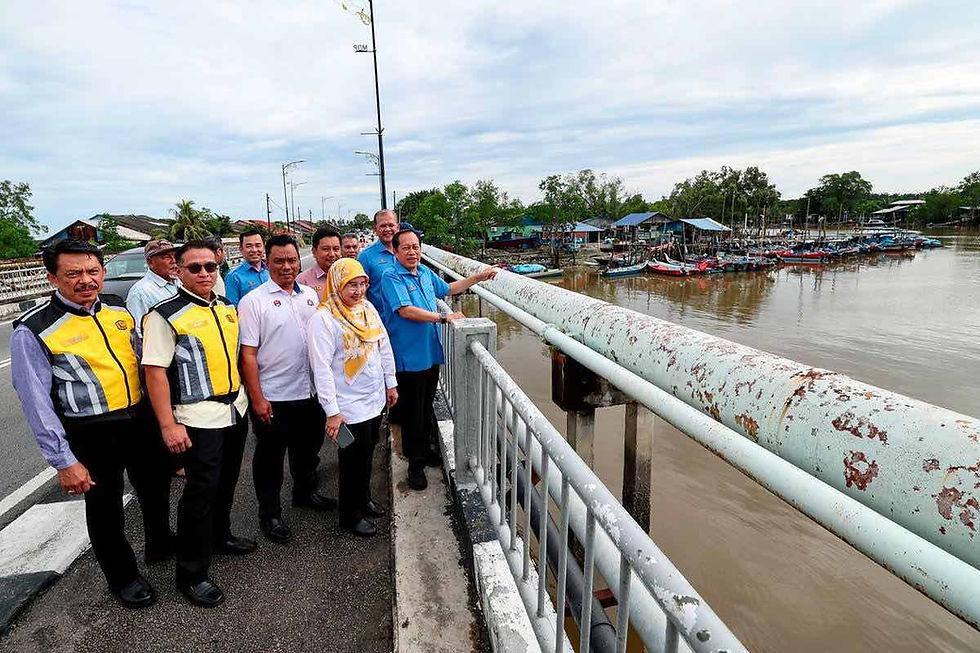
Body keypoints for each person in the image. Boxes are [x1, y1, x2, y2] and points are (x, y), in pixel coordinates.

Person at [11, 239, 172, 609]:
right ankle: (123, 577)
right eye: (73, 274)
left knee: (156, 487)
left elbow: (139, 359)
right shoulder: (33, 329)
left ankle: (160, 544)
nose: (86, 280)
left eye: (92, 271)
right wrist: (64, 461)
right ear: (52, 277)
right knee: (105, 509)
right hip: (92, 430)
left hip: (139, 419)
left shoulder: (117, 308)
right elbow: (36, 403)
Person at [142, 240, 256, 608]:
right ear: (177, 270)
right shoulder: (164, 315)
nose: (205, 273)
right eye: (195, 268)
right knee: (199, 493)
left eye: (210, 266)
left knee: (226, 482)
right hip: (195, 418)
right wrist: (167, 425)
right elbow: (155, 373)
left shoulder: (225, 308)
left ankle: (220, 537)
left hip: (233, 410)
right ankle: (191, 572)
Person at [379, 228, 497, 490]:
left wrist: (477, 277)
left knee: (426, 406)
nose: (412, 252)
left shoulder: (423, 272)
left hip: (430, 352)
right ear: (396, 251)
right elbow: (405, 310)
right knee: (413, 413)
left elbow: (449, 288)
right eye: (406, 248)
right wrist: (444, 317)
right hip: (409, 357)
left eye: (416, 247)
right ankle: (415, 465)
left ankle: (425, 453)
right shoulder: (391, 276)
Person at [239, 234, 336, 544]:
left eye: (292, 260)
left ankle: (304, 493)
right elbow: (248, 355)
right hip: (274, 397)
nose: (286, 266)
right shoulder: (254, 302)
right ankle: (270, 514)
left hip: (310, 393)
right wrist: (257, 398)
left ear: (299, 260)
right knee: (269, 459)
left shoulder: (310, 295)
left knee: (308, 449)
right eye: (278, 261)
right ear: (267, 263)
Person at [308, 258, 397, 535]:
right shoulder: (323, 319)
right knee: (350, 460)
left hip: (373, 401)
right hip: (346, 408)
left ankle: (364, 499)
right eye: (351, 285)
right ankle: (350, 515)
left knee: (368, 452)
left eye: (362, 284)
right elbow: (320, 368)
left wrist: (390, 384)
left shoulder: (367, 309)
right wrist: (332, 412)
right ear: (336, 285)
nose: (358, 291)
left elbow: (383, 347)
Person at [126, 239, 180, 337]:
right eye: (166, 257)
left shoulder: (180, 282)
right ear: (150, 262)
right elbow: (138, 333)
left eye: (175, 256)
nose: (174, 261)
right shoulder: (141, 292)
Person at [357, 209, 399, 312]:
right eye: (383, 226)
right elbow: (360, 292)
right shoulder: (365, 257)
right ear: (375, 229)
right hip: (380, 321)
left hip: (407, 320)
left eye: (391, 225)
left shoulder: (406, 252)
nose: (387, 229)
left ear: (398, 227)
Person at [224, 229, 268, 306]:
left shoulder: (271, 271)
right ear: (241, 249)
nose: (254, 250)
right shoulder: (233, 277)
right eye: (249, 246)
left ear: (264, 248)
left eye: (258, 245)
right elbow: (232, 308)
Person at [296, 226, 342, 298]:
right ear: (314, 252)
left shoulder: (347, 275)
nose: (332, 254)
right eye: (326, 249)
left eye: (336, 249)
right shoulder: (302, 281)